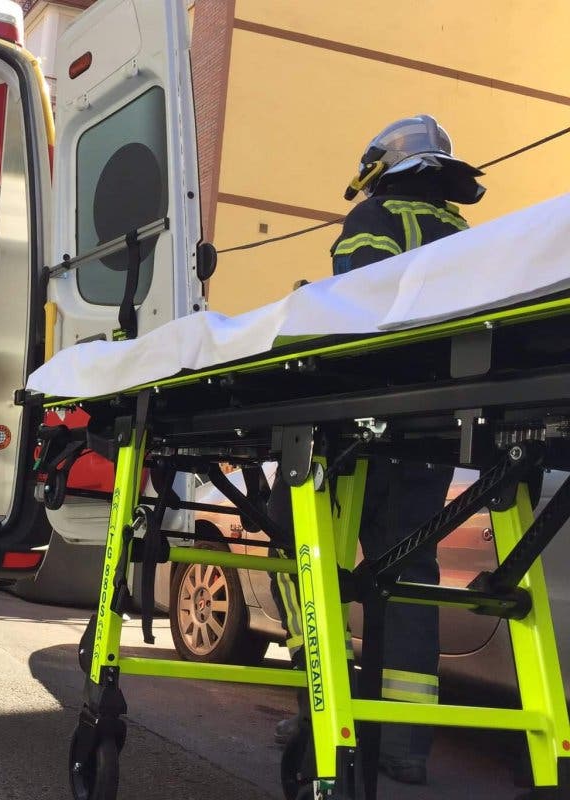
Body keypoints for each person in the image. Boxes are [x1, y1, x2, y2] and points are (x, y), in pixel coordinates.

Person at [270, 114, 485, 785]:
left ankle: (319, 702)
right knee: (410, 571)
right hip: (440, 429)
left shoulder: (374, 216)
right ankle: (404, 745)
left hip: (373, 424)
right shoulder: (464, 234)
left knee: (295, 534)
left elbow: (352, 310)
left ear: (383, 165)